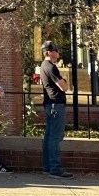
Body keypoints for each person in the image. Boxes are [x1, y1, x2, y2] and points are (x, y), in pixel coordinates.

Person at [40, 41, 72, 178]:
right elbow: (64, 87)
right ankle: (55, 169)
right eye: (55, 50)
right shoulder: (51, 67)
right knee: (55, 137)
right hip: (55, 105)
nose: (58, 52)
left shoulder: (43, 66)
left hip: (49, 104)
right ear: (49, 52)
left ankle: (48, 167)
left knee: (49, 137)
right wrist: (64, 81)